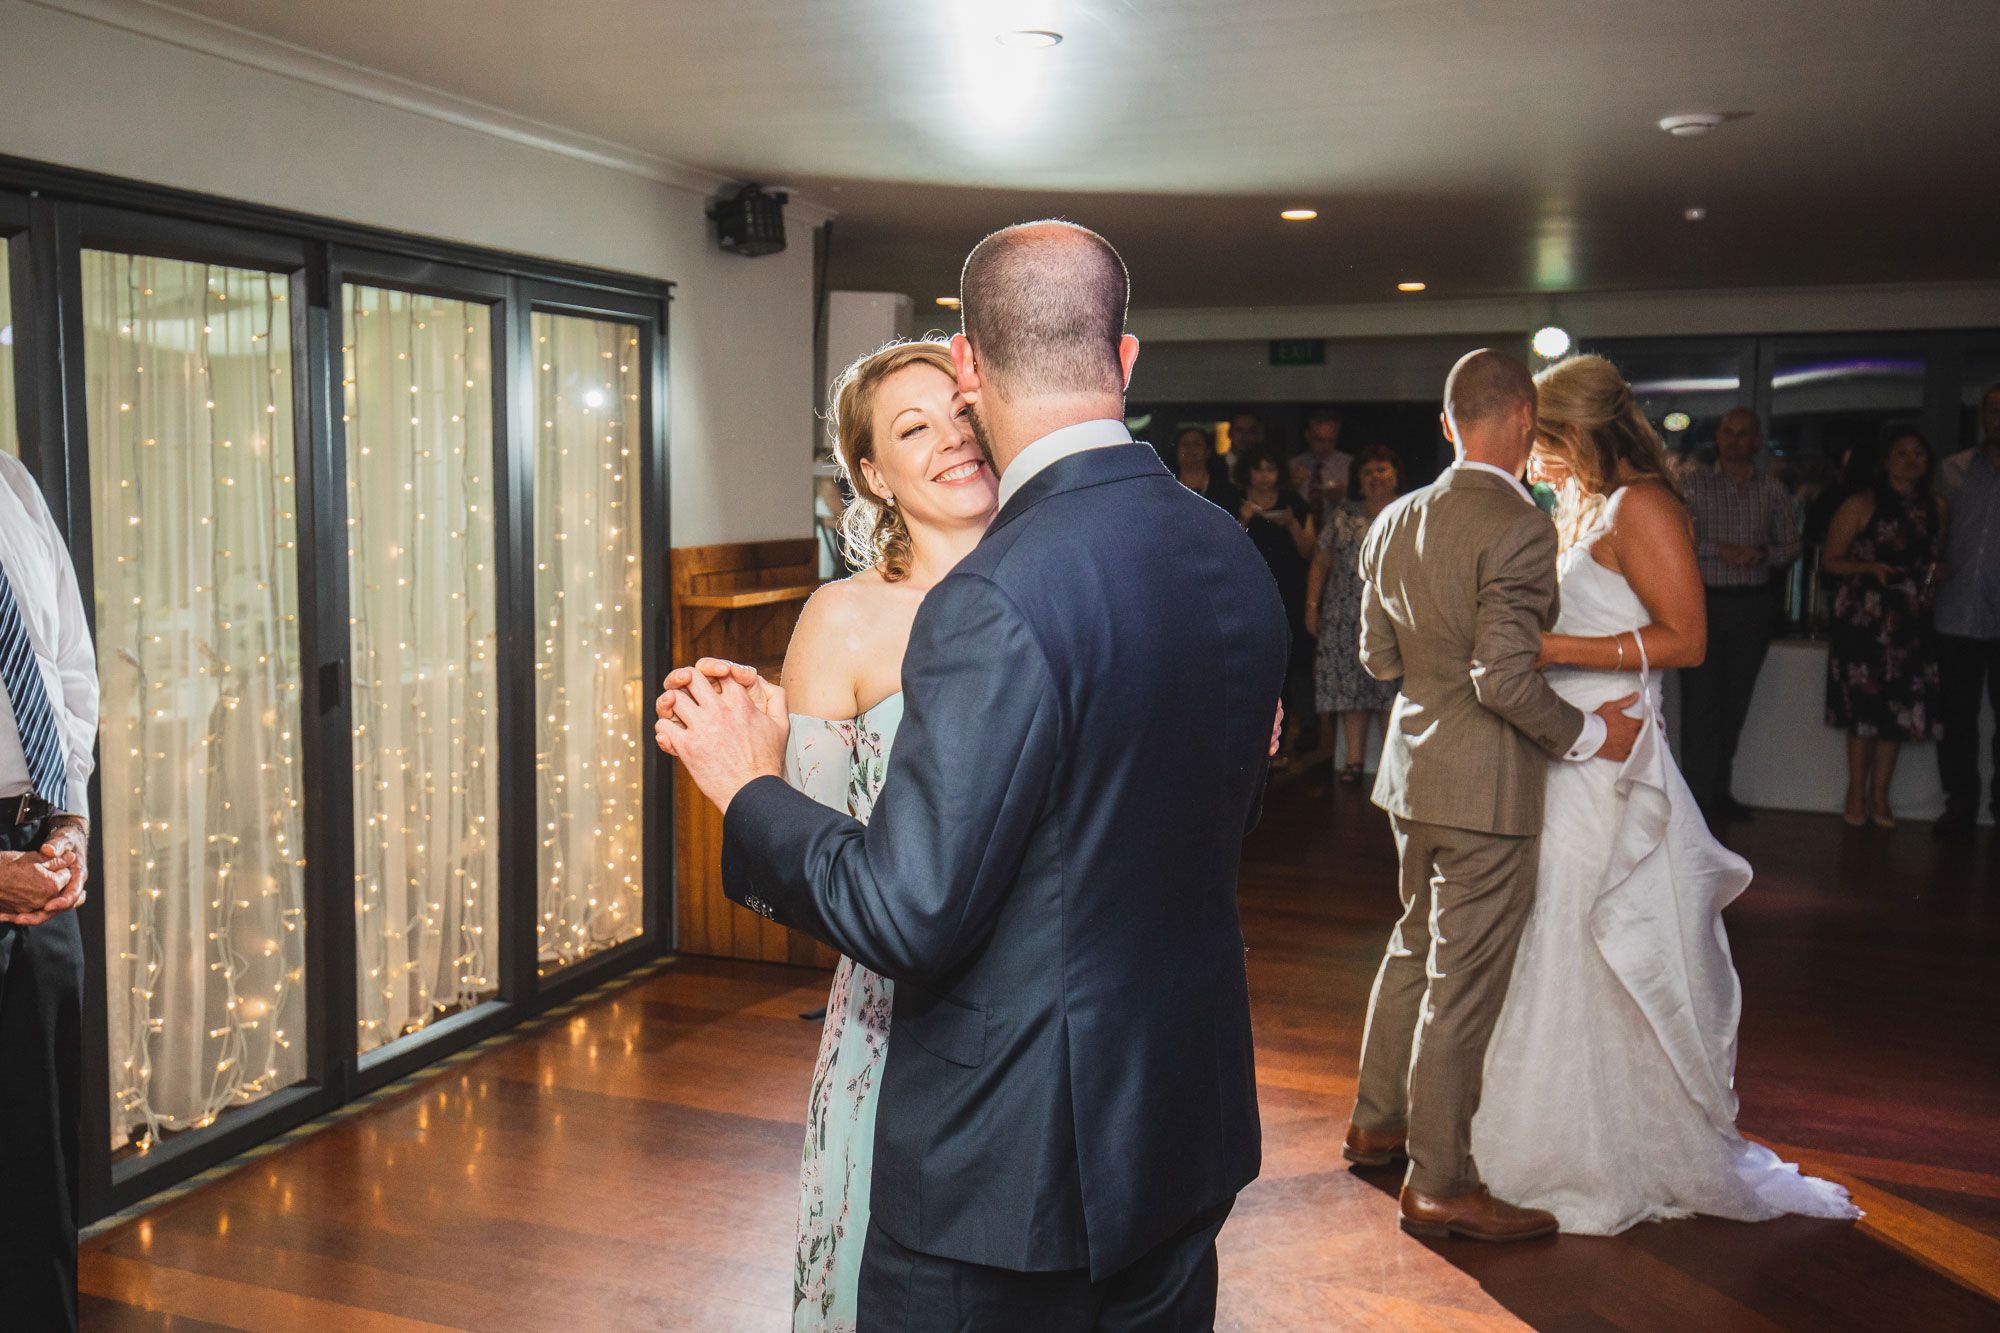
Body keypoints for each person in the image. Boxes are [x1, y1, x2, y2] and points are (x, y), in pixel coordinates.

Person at [658, 221, 1288, 1328]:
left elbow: (908, 914)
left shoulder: (990, 597)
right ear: (1124, 359)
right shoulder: (1224, 551)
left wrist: (746, 785)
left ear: (969, 367)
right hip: (1177, 1126)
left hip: (1011, 1164)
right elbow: (1214, 804)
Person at [1469, 354, 1858, 1235]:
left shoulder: (1642, 504)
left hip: (1616, 762)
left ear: (1572, 432)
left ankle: (1608, 1147)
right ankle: (1537, 1132)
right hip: (1567, 747)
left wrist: (1555, 650)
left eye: (1538, 436)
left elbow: (1686, 639)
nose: (1526, 452)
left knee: (1597, 932)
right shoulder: (1574, 505)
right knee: (1553, 933)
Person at [1345, 349, 1643, 1243]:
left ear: (1448, 425)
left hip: (1411, 777)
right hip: (1486, 791)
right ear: (1521, 419)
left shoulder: (1395, 518)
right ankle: (1439, 1180)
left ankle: (1376, 1121)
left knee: (1410, 946)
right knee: (1461, 986)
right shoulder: (1518, 526)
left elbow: (1379, 661)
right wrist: (1595, 735)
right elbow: (1506, 678)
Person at [781, 340, 999, 1330]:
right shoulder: (845, 622)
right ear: (870, 473)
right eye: (913, 429)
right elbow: (810, 860)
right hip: (897, 1009)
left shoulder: (1065, 586)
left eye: (959, 412)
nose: (952, 440)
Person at [0, 450, 97, 1333]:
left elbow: (70, 670)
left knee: (41, 1175)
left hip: (41, 849)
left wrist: (73, 820)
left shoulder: (15, 486)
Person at [1679, 408, 1801, 822]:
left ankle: (1719, 793)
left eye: (1742, 433)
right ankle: (1695, 801)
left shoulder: (1772, 489)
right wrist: (1722, 550)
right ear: (1718, 438)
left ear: (1757, 440)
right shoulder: (1690, 484)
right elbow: (1676, 541)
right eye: (1727, 432)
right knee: (1700, 705)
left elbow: (1792, 547)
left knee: (1734, 703)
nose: (1734, 440)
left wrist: (1764, 552)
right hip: (1703, 603)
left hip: (1752, 605)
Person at [1821, 430, 1946, 829]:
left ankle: (1881, 795)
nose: (1911, 460)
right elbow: (1831, 561)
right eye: (1902, 453)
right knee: (1863, 710)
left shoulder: (1937, 508)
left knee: (1898, 711)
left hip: (1911, 618)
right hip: (1866, 617)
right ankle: (1856, 792)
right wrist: (1869, 569)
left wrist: (1936, 573)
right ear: (1886, 461)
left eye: (1918, 453)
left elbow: (1934, 558)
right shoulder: (1861, 504)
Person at [1306, 445, 1403, 783]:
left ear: (1394, 474)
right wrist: (1312, 607)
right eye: (1368, 472)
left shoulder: (1410, 513)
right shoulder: (1343, 515)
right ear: (1358, 481)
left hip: (1396, 617)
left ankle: (1392, 767)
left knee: (1389, 689)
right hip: (1344, 615)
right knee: (1351, 692)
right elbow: (1320, 560)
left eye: (1382, 469)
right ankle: (1354, 762)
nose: (1375, 476)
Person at [1932, 384, 2000, 839]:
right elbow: (1930, 533)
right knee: (1956, 716)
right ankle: (1960, 803)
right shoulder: (1950, 470)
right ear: (1982, 416)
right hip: (1954, 612)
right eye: (1995, 409)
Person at [1237, 445, 1317, 765]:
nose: (1265, 476)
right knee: (1261, 668)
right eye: (1259, 469)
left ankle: (1305, 733)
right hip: (1250, 596)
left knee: (1297, 666)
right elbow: (1225, 548)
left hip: (1291, 594)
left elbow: (1310, 550)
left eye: (1271, 469)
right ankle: (1267, 746)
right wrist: (1242, 518)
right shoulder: (1235, 501)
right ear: (1248, 473)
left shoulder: (1294, 503)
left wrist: (1292, 523)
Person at [1292, 408, 1353, 516]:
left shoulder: (1349, 465)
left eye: (1330, 440)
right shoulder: (1293, 465)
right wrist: (1291, 488)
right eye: (1319, 440)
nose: (1325, 446)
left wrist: (1342, 498)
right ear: (1307, 436)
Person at [1171, 424, 1241, 514]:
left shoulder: (1226, 492)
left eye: (1196, 444)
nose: (1190, 449)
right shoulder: (1165, 486)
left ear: (1208, 451)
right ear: (1176, 450)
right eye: (1185, 444)